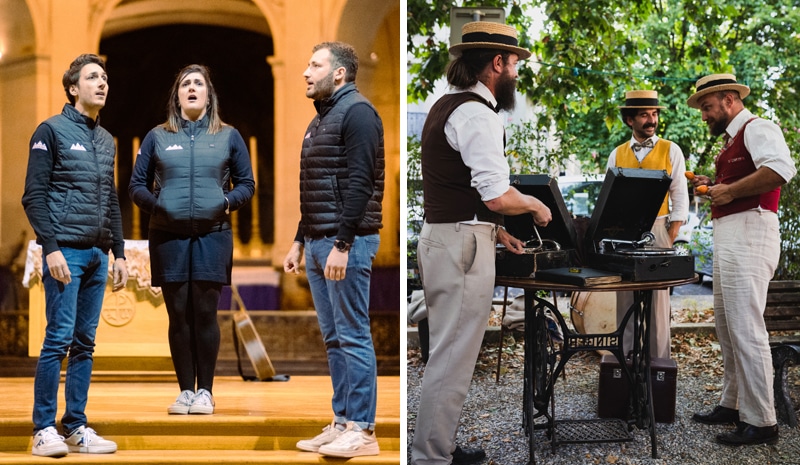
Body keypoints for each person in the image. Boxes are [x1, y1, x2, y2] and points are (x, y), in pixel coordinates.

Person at [411, 21, 552, 465]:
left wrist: (498, 230)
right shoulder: (477, 114)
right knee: (452, 357)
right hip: (460, 246)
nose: (515, 74)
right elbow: (495, 193)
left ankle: (438, 447)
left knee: (447, 352)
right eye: (513, 65)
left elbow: (468, 191)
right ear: (496, 64)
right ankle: (431, 456)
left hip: (448, 236)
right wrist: (533, 206)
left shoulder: (444, 106)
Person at [129, 64, 255, 416]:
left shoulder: (228, 136)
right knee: (178, 315)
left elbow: (247, 184)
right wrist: (159, 207)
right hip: (167, 237)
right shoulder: (157, 136)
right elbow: (136, 185)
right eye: (186, 83)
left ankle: (206, 392)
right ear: (177, 95)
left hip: (212, 236)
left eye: (199, 83)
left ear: (209, 94)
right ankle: (185, 390)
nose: (192, 88)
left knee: (204, 313)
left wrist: (226, 202)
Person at [22, 53, 128, 457]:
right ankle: (42, 428)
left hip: (98, 256)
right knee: (58, 339)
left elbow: (111, 200)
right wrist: (50, 247)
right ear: (72, 87)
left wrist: (119, 252)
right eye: (92, 77)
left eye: (104, 76)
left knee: (85, 343)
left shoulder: (106, 140)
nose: (102, 83)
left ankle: (76, 426)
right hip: (64, 252)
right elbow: (33, 196)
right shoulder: (50, 130)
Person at [282, 41, 384, 458]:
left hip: (349, 242)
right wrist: (299, 239)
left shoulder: (358, 113)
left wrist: (343, 242)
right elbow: (318, 190)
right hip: (320, 240)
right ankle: (342, 421)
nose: (306, 72)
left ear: (338, 73)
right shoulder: (320, 119)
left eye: (315, 65)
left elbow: (360, 183)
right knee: (334, 338)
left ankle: (363, 429)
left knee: (353, 334)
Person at [687, 73, 796, 445]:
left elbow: (782, 169)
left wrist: (729, 191)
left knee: (745, 327)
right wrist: (713, 183)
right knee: (727, 324)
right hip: (733, 234)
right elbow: (738, 183)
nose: (704, 115)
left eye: (707, 107)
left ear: (729, 99)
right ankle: (733, 403)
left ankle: (762, 420)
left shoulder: (757, 126)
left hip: (751, 231)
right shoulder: (735, 139)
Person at [606, 90, 689, 359]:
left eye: (654, 114)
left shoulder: (670, 149)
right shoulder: (616, 154)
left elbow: (680, 194)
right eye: (644, 115)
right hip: (623, 233)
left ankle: (658, 366)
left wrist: (671, 232)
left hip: (659, 228)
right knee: (625, 298)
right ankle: (625, 362)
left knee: (658, 301)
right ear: (630, 120)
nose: (651, 120)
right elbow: (607, 199)